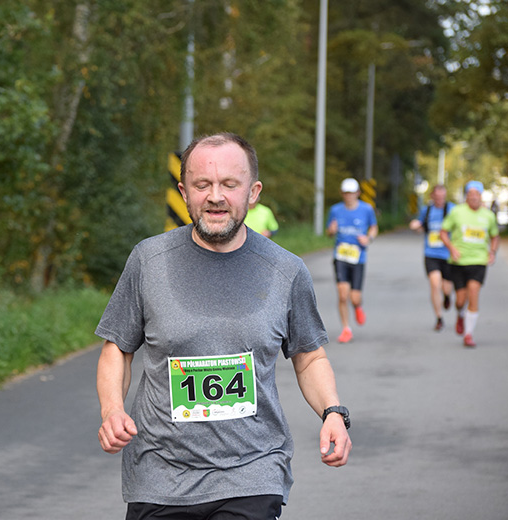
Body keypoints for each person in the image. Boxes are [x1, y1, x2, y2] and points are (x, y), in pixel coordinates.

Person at [96, 133, 351, 520]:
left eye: (230, 185)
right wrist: (112, 410)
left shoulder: (285, 271)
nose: (215, 196)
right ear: (184, 192)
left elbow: (309, 356)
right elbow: (117, 346)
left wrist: (333, 412)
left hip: (252, 471)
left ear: (253, 192)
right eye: (203, 185)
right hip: (160, 473)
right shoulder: (149, 261)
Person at [440, 180, 500, 347]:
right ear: (466, 196)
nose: (473, 197)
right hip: (459, 261)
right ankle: (460, 314)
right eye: (470, 194)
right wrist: (451, 248)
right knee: (460, 300)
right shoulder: (457, 212)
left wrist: (492, 252)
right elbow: (443, 232)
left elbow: (495, 236)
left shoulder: (488, 216)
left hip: (478, 261)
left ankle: (468, 334)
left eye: (477, 194)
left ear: (481, 196)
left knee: (473, 293)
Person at [326, 178, 378, 343]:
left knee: (354, 297)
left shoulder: (366, 209)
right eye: (346, 193)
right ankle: (346, 329)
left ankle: (357, 306)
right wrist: (331, 230)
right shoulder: (335, 210)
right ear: (342, 194)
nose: (349, 196)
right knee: (342, 295)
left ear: (358, 193)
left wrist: (368, 238)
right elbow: (329, 231)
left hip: (358, 258)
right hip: (340, 257)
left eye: (352, 193)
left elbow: (374, 227)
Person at [409, 185, 455, 331]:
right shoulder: (427, 210)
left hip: (448, 254)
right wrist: (416, 226)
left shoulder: (452, 209)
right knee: (435, 284)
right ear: (432, 196)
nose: (440, 199)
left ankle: (447, 296)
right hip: (431, 254)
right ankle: (439, 317)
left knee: (446, 287)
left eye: (443, 196)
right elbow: (422, 227)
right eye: (438, 197)